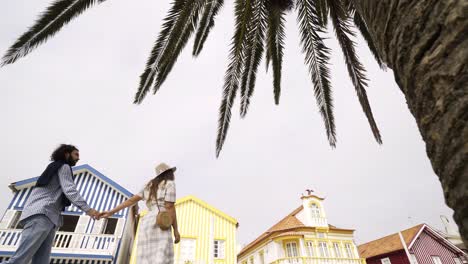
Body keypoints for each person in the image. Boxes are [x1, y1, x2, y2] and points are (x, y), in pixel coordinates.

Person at [3, 144, 100, 264]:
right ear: (66, 154)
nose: (78, 158)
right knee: (19, 260)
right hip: (42, 214)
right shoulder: (64, 166)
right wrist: (89, 210)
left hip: (50, 218)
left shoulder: (53, 168)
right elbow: (70, 190)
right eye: (76, 154)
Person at [100, 162, 180, 264]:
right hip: (161, 220)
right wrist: (176, 230)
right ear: (169, 173)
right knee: (161, 254)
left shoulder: (148, 185)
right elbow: (169, 206)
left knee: (146, 256)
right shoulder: (170, 184)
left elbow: (131, 201)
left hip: (147, 221)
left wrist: (111, 212)